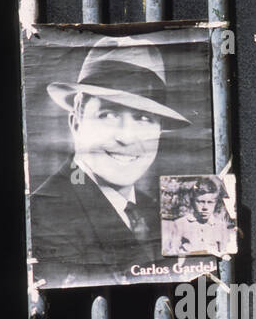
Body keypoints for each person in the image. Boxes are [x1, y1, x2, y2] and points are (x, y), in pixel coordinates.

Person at [31, 38, 191, 284]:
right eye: (108, 114)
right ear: (76, 122)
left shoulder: (157, 212)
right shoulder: (43, 217)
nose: (126, 137)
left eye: (143, 118)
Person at [163, 176, 236, 257]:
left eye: (210, 202)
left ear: (216, 203)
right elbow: (172, 253)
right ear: (193, 201)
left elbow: (225, 254)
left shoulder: (221, 226)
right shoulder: (180, 224)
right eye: (200, 202)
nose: (205, 207)